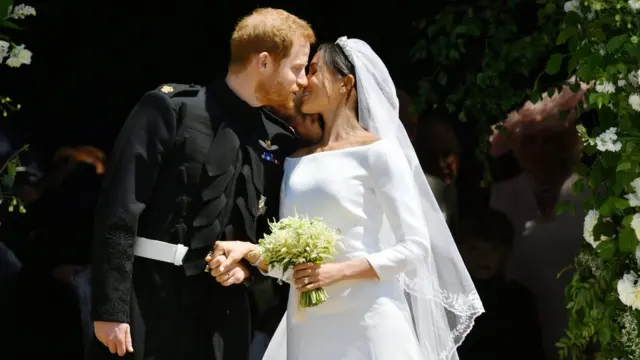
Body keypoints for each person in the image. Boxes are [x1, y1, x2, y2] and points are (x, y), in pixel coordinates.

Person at [206, 37, 484, 360]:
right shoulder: (295, 161)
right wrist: (250, 252)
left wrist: (336, 272)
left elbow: (415, 248)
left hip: (368, 320)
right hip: (308, 328)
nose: (304, 81)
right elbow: (292, 266)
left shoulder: (379, 153)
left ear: (346, 84)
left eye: (314, 70)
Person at [90, 8, 314, 360]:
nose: (303, 82)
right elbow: (119, 209)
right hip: (150, 300)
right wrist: (110, 309)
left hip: (224, 318)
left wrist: (247, 269)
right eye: (298, 68)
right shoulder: (170, 110)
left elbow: (269, 234)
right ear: (265, 62)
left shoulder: (279, 141)